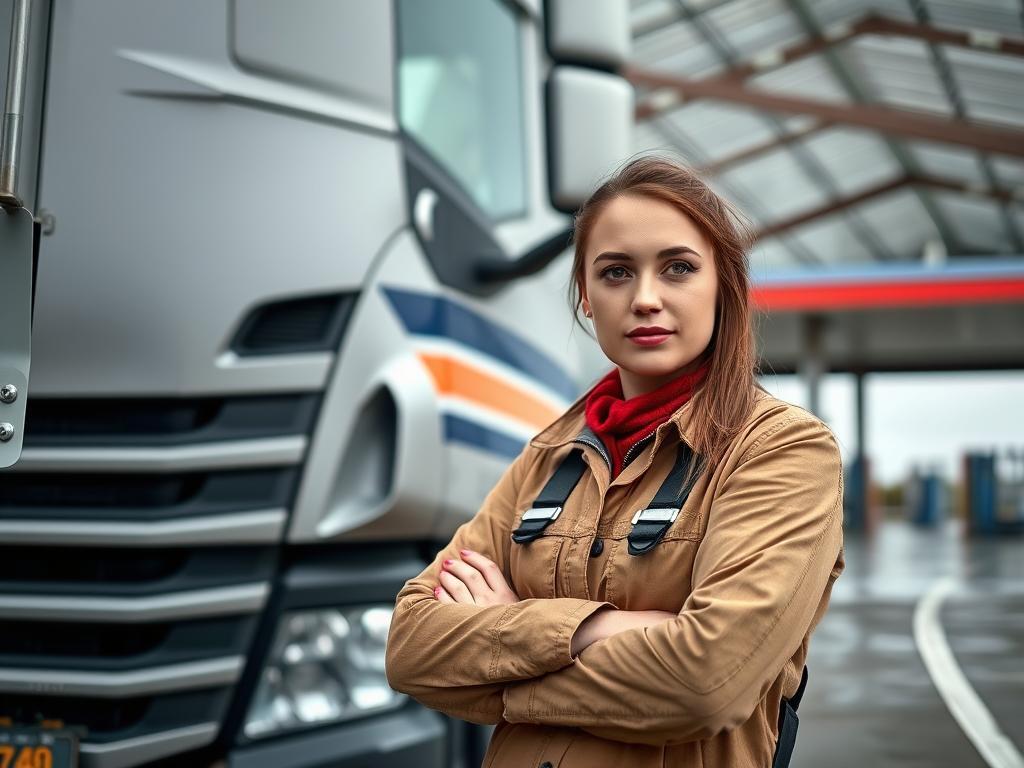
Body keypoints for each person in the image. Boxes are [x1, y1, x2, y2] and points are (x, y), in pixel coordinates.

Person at [385, 156, 845, 768]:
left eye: (678, 268)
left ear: (724, 287)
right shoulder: (550, 455)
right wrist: (595, 630)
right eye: (616, 272)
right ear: (585, 298)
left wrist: (504, 641)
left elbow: (705, 683)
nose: (646, 298)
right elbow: (410, 645)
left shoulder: (781, 450)